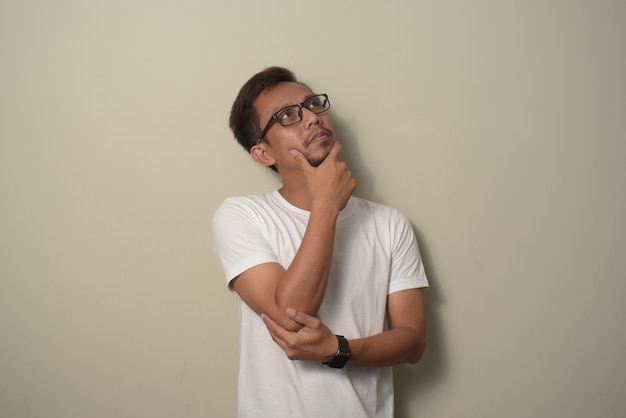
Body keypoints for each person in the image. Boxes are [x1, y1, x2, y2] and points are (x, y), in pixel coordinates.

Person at [212, 66, 429, 418]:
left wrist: (337, 349)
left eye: (312, 104)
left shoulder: (389, 223)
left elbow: (413, 341)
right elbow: (291, 317)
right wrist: (327, 204)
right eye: (287, 116)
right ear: (264, 154)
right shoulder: (241, 216)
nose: (311, 117)